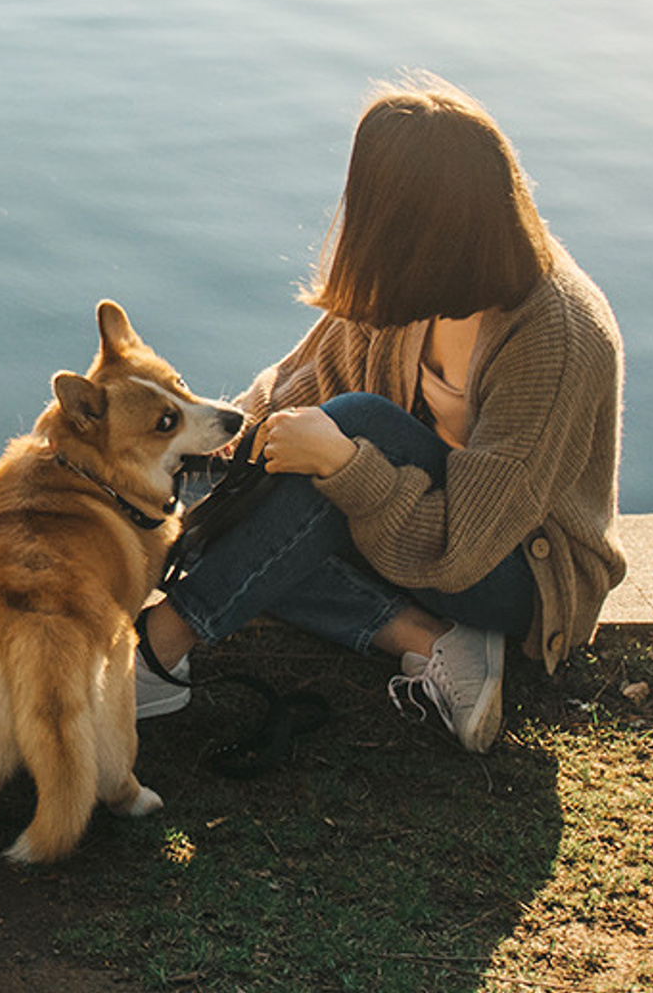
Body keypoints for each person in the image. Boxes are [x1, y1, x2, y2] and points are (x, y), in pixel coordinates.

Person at [135, 77, 625, 753]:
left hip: (515, 569)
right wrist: (223, 452)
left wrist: (341, 464)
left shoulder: (554, 337)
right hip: (413, 520)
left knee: (351, 429)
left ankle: (156, 655)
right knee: (242, 501)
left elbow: (462, 551)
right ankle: (431, 642)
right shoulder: (421, 280)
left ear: (422, 226)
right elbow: (302, 382)